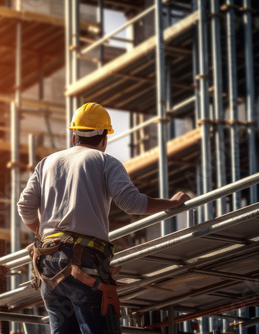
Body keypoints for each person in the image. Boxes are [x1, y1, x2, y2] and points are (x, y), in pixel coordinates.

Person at [17, 102, 190, 334]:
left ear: (73, 136)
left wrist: (43, 232)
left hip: (48, 266)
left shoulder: (46, 163)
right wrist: (173, 202)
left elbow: (25, 206)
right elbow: (132, 204)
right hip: (84, 264)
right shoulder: (105, 162)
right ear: (104, 139)